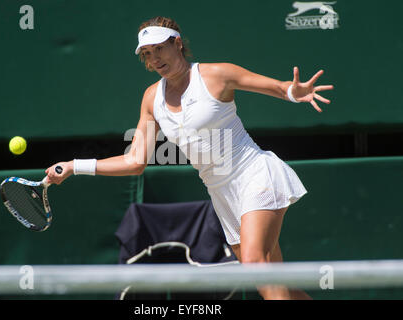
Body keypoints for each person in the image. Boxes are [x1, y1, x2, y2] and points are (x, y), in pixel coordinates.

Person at [45, 16, 333, 300]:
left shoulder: (217, 75)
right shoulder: (151, 98)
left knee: (257, 264)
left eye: (159, 48)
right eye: (146, 54)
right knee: (271, 278)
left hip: (254, 174)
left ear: (177, 44)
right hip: (222, 193)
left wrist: (294, 92)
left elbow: (279, 88)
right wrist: (74, 166)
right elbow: (134, 161)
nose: (154, 59)